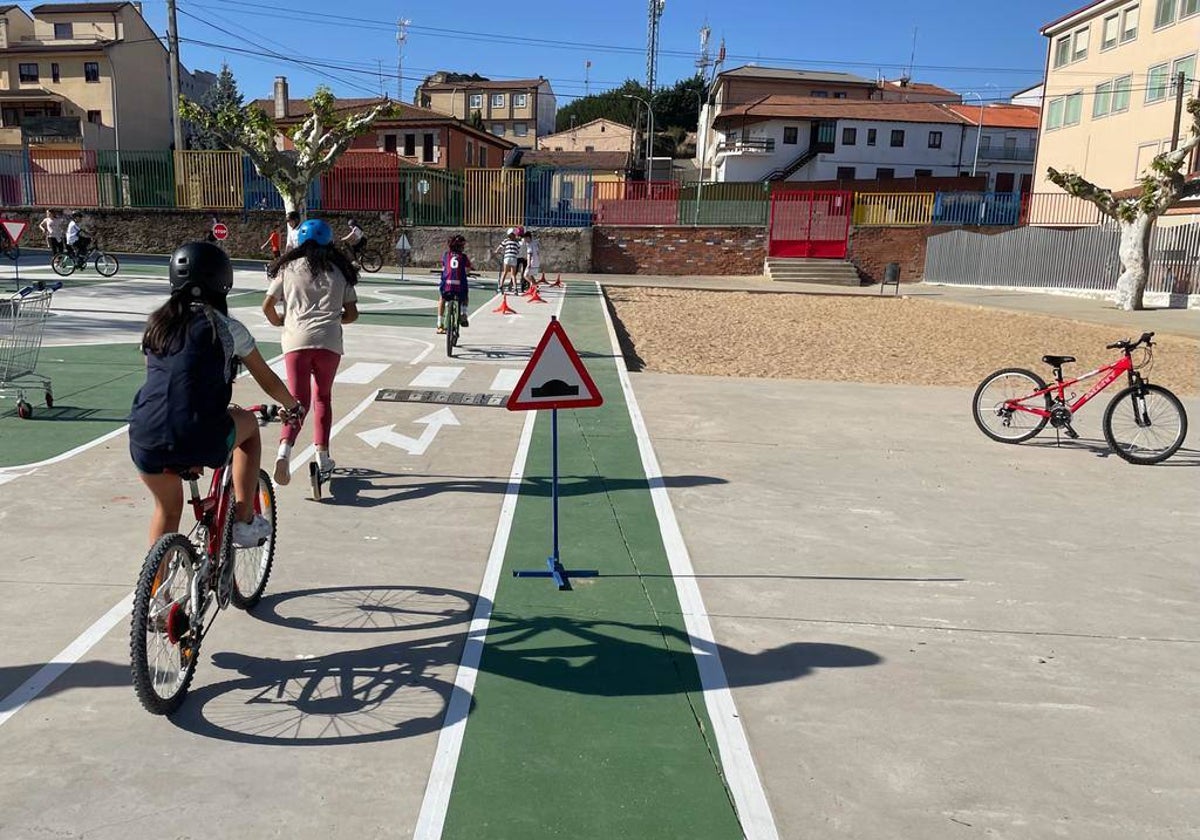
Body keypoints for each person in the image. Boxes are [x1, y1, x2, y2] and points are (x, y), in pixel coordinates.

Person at [128, 242, 302, 548]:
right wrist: (292, 405)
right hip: (199, 431)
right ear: (223, 282)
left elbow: (164, 380)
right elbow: (267, 379)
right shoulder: (227, 328)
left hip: (145, 434)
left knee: (167, 510)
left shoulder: (155, 325)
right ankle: (244, 522)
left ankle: (156, 592)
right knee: (247, 427)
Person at [263, 219, 359, 485]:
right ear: (329, 242)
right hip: (329, 342)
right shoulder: (340, 271)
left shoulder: (288, 268)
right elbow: (352, 314)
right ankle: (323, 456)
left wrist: (282, 321)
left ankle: (284, 451)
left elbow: (267, 306)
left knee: (296, 402)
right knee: (322, 399)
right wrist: (334, 319)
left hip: (295, 341)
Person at [437, 234, 471, 335]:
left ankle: (439, 324)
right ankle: (464, 314)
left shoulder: (446, 255)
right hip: (459, 286)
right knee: (465, 296)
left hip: (447, 285)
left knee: (442, 298)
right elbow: (467, 270)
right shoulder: (463, 257)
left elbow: (444, 267)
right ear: (461, 247)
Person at [494, 228, 521, 293]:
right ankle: (515, 289)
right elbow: (518, 250)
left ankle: (500, 286)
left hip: (507, 258)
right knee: (513, 275)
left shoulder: (506, 241)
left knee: (505, 273)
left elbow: (500, 246)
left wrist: (496, 251)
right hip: (514, 258)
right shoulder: (516, 242)